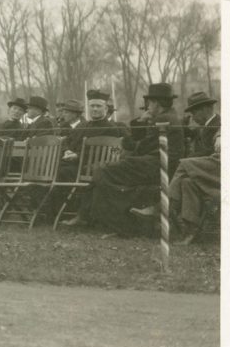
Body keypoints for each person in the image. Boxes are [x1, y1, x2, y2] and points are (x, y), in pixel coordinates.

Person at [64, 82, 185, 236]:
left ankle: (120, 225)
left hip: (157, 165)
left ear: (156, 103)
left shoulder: (162, 119)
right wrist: (139, 126)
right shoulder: (168, 116)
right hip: (157, 163)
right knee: (103, 172)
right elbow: (138, 144)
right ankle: (96, 217)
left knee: (103, 172)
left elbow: (139, 147)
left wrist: (139, 126)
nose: (147, 106)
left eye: (149, 102)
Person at [57, 91, 124, 181]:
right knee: (53, 165)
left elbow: (105, 153)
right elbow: (67, 140)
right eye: (92, 106)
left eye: (98, 106)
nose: (95, 109)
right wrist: (67, 151)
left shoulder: (110, 128)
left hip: (92, 167)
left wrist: (77, 156)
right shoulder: (83, 125)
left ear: (106, 109)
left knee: (64, 170)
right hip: (74, 163)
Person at [183, 91, 221, 157]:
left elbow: (208, 152)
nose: (193, 118)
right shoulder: (206, 125)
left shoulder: (218, 126)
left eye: (194, 113)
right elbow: (193, 133)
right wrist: (183, 124)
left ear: (204, 110)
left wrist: (189, 158)